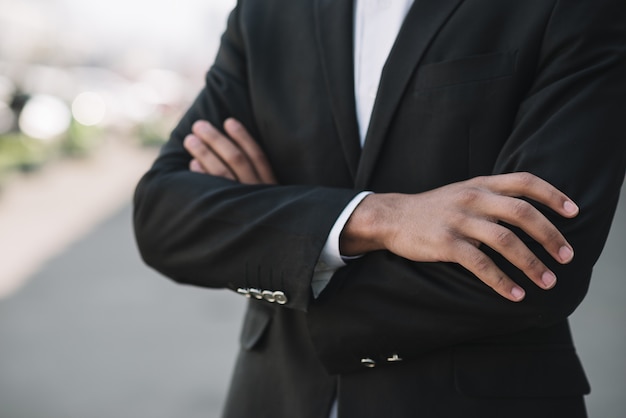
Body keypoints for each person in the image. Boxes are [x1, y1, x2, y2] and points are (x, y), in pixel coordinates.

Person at [133, 0, 626, 417]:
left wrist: (280, 233)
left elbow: (535, 266)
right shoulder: (266, 11)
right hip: (273, 397)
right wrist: (378, 218)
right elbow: (163, 218)